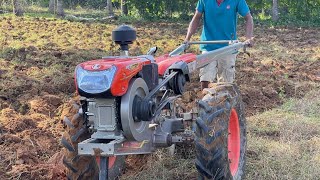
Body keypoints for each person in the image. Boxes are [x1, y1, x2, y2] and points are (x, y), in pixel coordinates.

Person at [184, 0, 254, 90]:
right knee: (205, 78)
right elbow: (197, 17)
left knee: (226, 83)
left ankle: (224, 102)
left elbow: (248, 17)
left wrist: (248, 37)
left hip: (229, 47)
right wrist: (187, 38)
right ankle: (205, 101)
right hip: (208, 46)